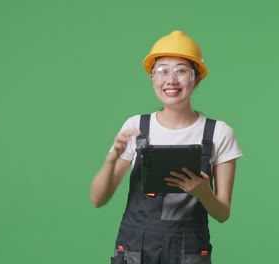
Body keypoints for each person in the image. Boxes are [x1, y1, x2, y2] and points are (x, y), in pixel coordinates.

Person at [90, 30, 243, 264]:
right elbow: (98, 199)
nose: (171, 80)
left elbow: (223, 214)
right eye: (162, 71)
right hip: (135, 249)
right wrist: (111, 159)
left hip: (189, 250)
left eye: (181, 71)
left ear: (197, 78)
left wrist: (203, 192)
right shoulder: (135, 126)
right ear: (152, 78)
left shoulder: (219, 133)